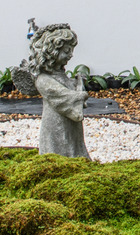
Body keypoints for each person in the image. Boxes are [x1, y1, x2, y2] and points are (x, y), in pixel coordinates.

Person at [27, 23, 89, 158]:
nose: (71, 55)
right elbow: (61, 96)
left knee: (73, 145)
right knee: (57, 152)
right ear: (52, 52)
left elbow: (67, 90)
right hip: (55, 126)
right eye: (67, 51)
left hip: (70, 125)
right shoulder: (43, 79)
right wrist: (80, 95)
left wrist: (77, 84)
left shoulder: (60, 74)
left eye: (71, 50)